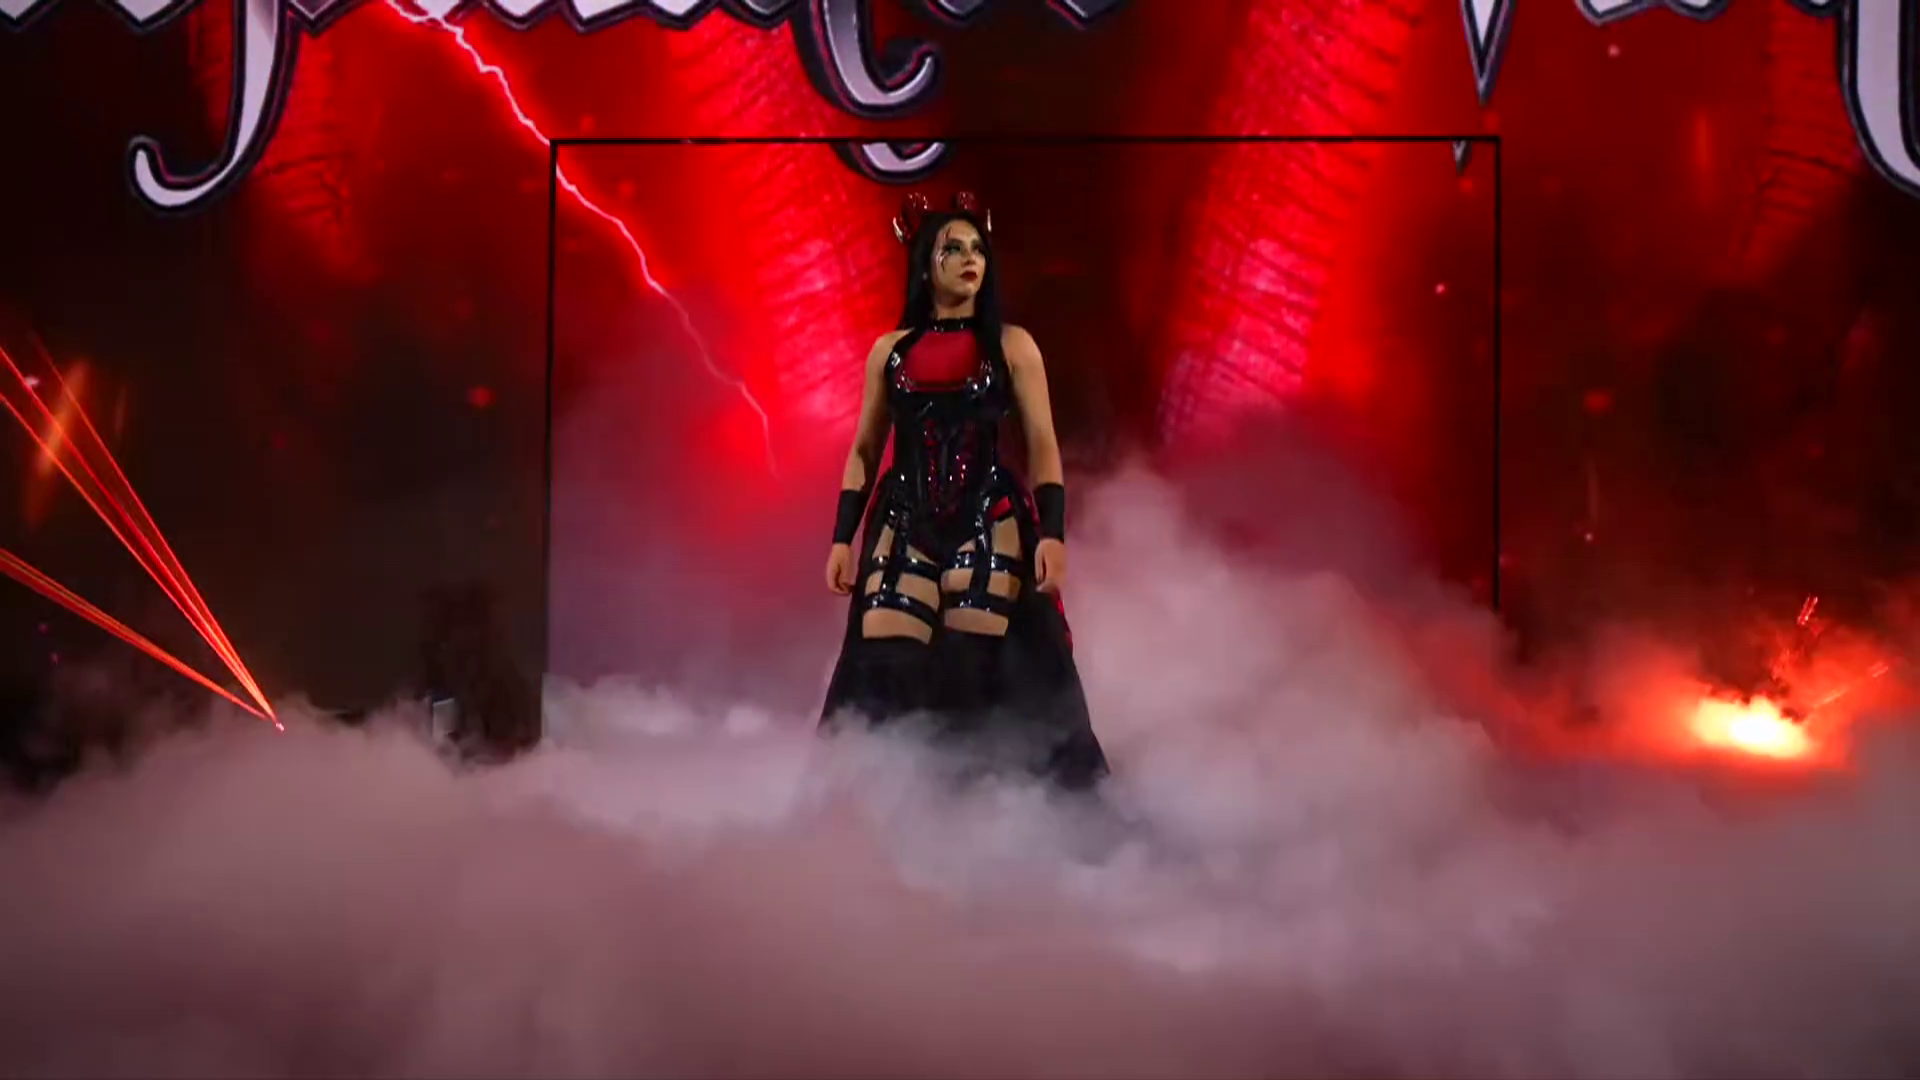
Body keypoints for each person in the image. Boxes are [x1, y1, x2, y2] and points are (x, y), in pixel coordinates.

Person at [819, 191, 1108, 790]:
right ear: (926, 265)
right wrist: (842, 539)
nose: (970, 258)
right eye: (953, 248)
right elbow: (865, 450)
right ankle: (881, 806)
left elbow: (1043, 444)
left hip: (988, 517)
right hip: (903, 519)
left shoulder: (1013, 346)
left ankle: (988, 805)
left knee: (981, 665)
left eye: (977, 248)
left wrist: (1053, 534)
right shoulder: (889, 353)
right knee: (885, 670)